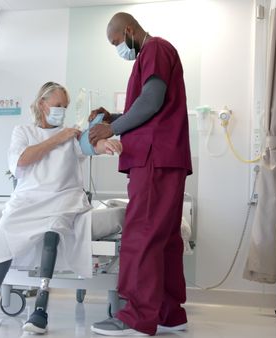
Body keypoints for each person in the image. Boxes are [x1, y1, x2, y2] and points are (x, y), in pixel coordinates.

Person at [0, 81, 122, 334]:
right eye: (58, 105)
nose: (62, 110)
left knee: (53, 231)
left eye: (65, 106)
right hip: (27, 200)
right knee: (2, 235)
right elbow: (22, 160)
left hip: (63, 199)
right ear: (42, 104)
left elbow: (91, 146)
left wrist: (108, 145)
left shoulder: (72, 135)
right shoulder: (23, 132)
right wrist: (56, 138)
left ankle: (40, 306)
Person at [88, 12, 192, 337]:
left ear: (129, 31)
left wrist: (112, 128)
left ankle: (135, 316)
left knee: (142, 235)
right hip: (164, 158)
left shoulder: (155, 50)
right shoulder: (149, 58)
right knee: (164, 240)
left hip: (154, 158)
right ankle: (168, 313)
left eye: (117, 42)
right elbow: (147, 108)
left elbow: (150, 103)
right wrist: (112, 115)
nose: (120, 49)